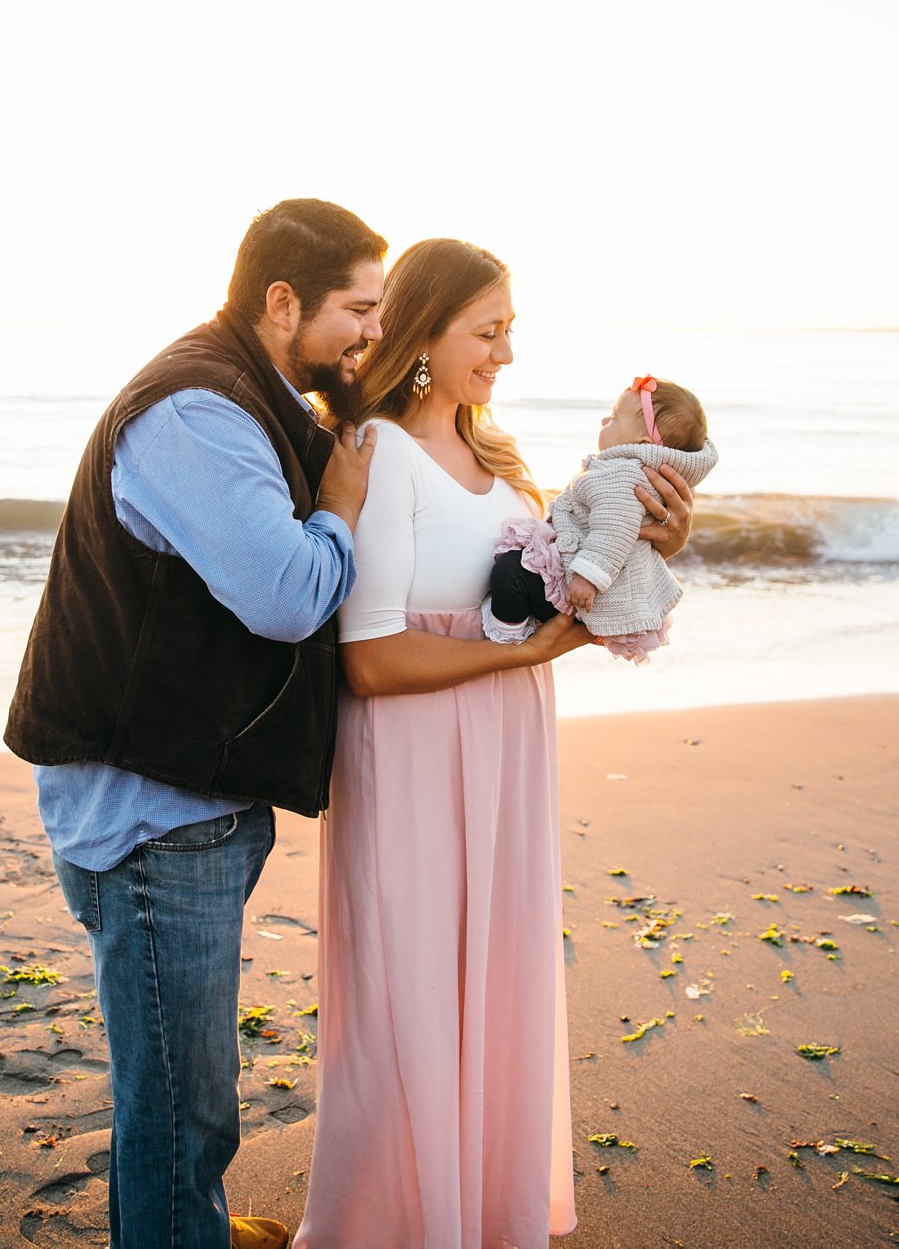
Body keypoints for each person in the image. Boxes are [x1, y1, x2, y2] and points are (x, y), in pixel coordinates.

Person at [293, 239, 694, 1248]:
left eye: (509, 328)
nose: (506, 352)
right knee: (412, 990)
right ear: (424, 335)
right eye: (488, 330)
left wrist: (653, 542)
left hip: (503, 754)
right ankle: (388, 1222)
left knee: (492, 978)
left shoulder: (499, 460)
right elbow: (370, 661)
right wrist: (514, 660)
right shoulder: (380, 457)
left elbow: (558, 587)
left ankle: (480, 1209)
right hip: (414, 759)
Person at [3, 199, 386, 1249]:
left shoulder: (253, 395)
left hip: (183, 800)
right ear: (281, 301)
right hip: (146, 818)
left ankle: (188, 1228)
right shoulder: (197, 413)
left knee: (188, 1085)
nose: (371, 332)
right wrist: (341, 505)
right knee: (182, 1102)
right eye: (358, 308)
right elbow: (285, 593)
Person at [485, 374, 718, 662]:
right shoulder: (638, 474)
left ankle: (508, 638)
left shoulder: (621, 475)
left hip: (582, 585)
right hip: (589, 578)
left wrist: (587, 578)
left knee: (510, 573)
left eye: (614, 418)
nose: (604, 422)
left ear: (642, 442)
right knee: (516, 565)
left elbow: (613, 531)